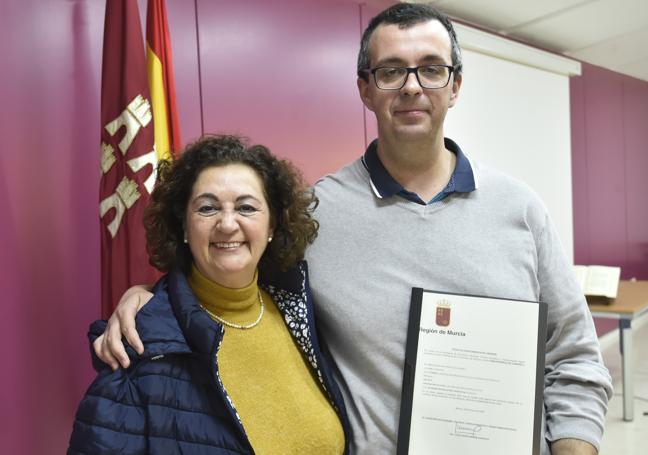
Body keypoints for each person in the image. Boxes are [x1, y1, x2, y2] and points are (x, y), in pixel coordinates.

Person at [94, 4, 613, 455]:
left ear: (455, 86)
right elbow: (229, 267)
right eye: (391, 71)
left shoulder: (520, 209)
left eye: (431, 69)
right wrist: (145, 297)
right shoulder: (312, 213)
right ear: (365, 89)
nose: (412, 86)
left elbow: (574, 359)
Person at [68, 135, 350, 454]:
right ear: (184, 227)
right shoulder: (138, 346)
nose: (227, 224)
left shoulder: (300, 312)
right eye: (207, 208)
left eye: (246, 207)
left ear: (272, 225)